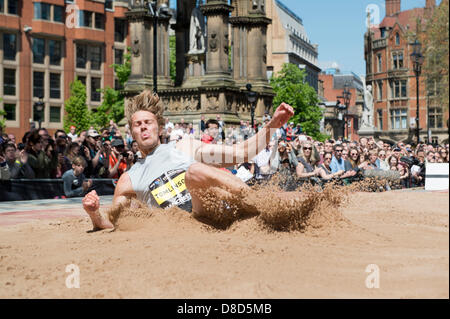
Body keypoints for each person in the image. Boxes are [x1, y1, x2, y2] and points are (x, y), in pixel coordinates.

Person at [82, 90, 294, 230]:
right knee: (193, 173)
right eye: (138, 124)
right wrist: (93, 213)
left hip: (216, 207)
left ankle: (260, 204)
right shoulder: (128, 179)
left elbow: (241, 153)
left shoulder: (184, 147)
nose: (144, 127)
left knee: (195, 173)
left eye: (148, 122)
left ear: (160, 127)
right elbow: (112, 222)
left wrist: (272, 125)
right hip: (189, 222)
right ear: (131, 131)